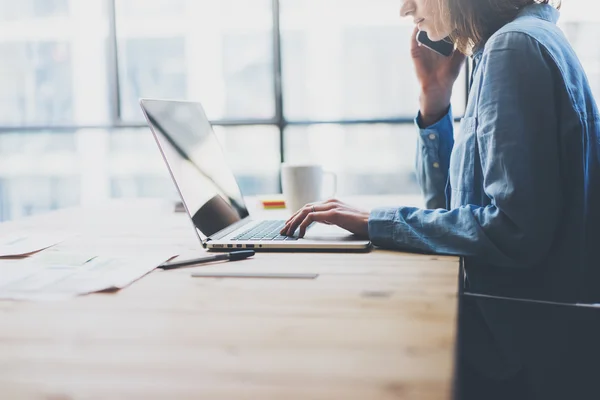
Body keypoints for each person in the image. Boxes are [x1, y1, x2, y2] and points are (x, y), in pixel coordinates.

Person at [280, 0, 600, 398]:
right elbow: (454, 212)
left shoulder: (512, 48)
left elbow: (515, 231)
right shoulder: (516, 43)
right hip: (527, 335)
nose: (405, 9)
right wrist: (435, 99)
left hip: (515, 352)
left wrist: (377, 222)